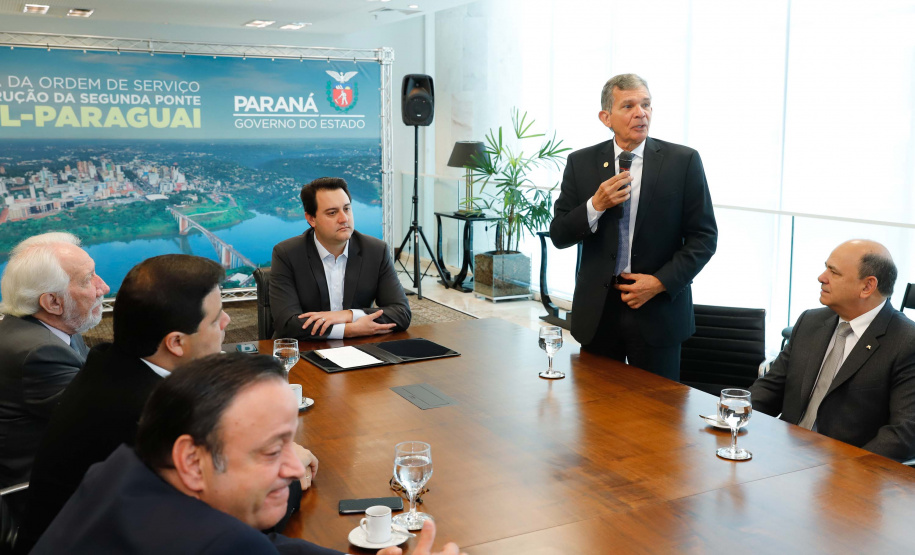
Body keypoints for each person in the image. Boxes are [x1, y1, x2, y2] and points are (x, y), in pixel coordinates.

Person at [18, 254, 314, 552]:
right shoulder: (150, 414)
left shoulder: (111, 363)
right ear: (176, 343)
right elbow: (233, 525)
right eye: (215, 319)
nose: (227, 322)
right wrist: (291, 478)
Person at [32, 353, 464, 555]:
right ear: (191, 460)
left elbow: (268, 545)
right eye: (273, 450)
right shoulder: (218, 544)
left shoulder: (120, 471)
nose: (294, 468)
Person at [549, 73, 717, 381]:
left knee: (657, 409)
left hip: (658, 310)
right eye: (628, 106)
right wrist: (595, 205)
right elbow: (559, 234)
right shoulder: (580, 162)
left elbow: (704, 238)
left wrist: (659, 282)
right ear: (606, 117)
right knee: (595, 405)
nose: (641, 113)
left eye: (646, 105)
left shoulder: (683, 161)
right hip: (598, 313)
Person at [749, 240, 915, 462]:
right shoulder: (810, 321)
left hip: (845, 468)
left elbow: (904, 433)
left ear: (867, 286)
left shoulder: (906, 342)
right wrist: (730, 415)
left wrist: (846, 470)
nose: (821, 277)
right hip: (782, 454)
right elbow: (770, 389)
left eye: (834, 272)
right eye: (826, 268)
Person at [0, 232, 109, 487]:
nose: (103, 287)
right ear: (53, 302)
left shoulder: (54, 327)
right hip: (42, 490)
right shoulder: (40, 353)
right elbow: (101, 421)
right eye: (88, 279)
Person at [270, 177, 411, 340]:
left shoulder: (376, 251)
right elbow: (287, 323)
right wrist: (349, 330)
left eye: (347, 209)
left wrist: (348, 315)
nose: (344, 219)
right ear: (311, 219)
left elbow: (401, 313)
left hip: (359, 347)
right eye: (332, 212)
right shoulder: (287, 254)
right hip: (304, 347)